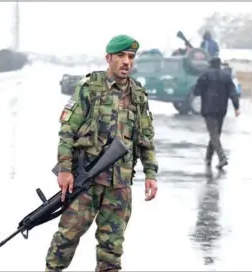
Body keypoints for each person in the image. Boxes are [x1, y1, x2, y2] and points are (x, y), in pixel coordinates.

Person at [46, 34, 159, 272]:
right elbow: (67, 130)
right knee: (65, 240)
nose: (126, 61)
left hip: (119, 186)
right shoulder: (90, 88)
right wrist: (65, 170)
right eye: (121, 56)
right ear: (108, 58)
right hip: (86, 183)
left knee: (111, 252)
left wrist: (151, 173)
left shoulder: (138, 95)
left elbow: (146, 139)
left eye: (130, 57)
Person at [193, 57, 240, 169]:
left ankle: (222, 157)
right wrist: (236, 107)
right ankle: (208, 158)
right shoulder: (226, 76)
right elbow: (233, 93)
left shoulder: (205, 75)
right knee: (215, 134)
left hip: (208, 109)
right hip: (221, 109)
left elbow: (196, 91)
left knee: (214, 134)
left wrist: (203, 90)